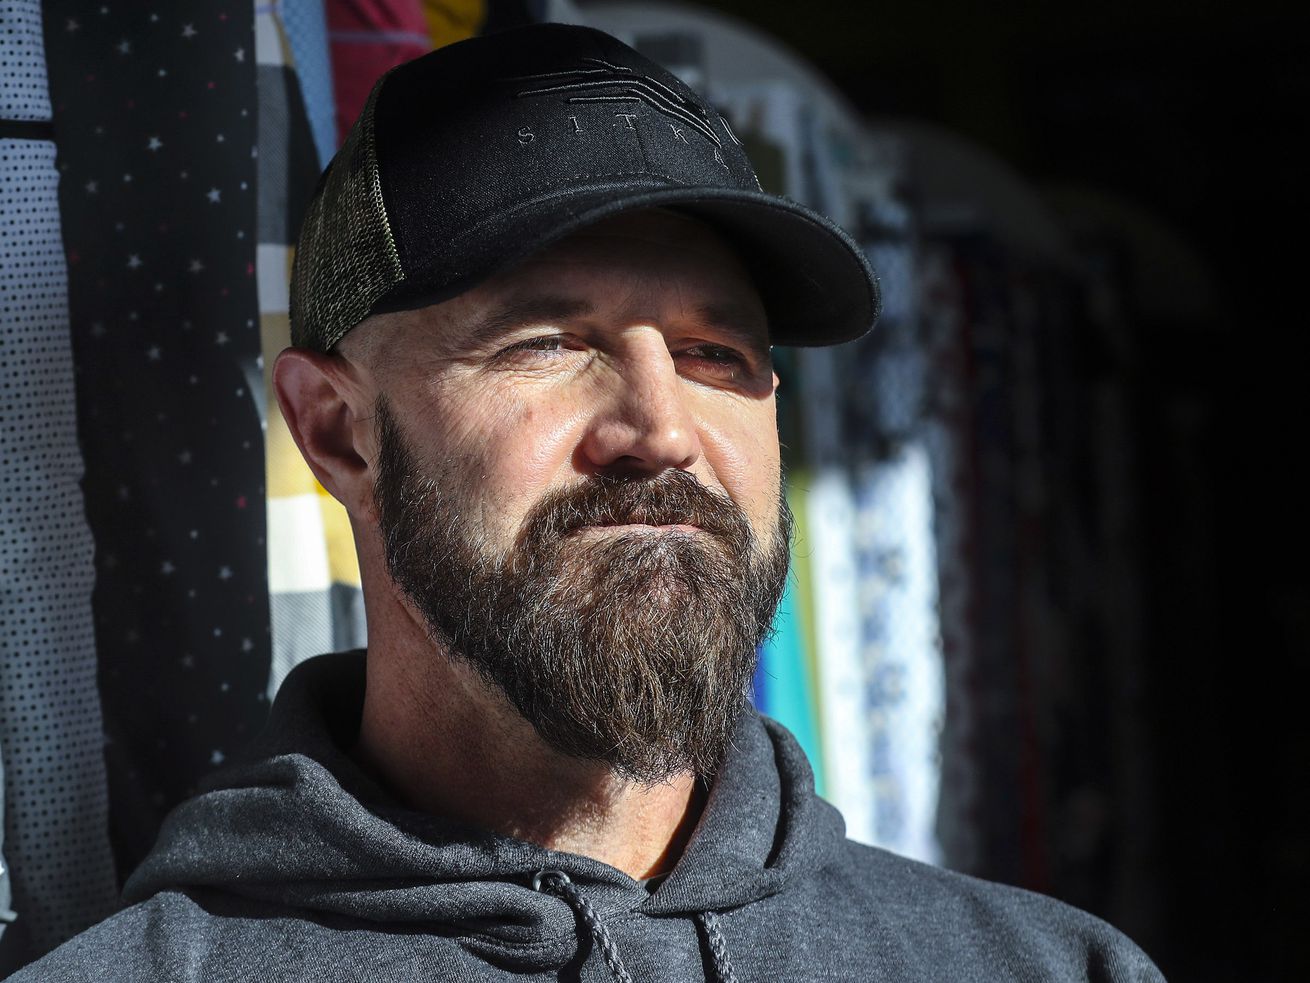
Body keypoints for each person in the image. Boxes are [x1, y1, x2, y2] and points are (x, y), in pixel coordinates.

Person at [13, 23, 1164, 983]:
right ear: (334, 429)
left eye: (716, 351)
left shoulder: (1043, 965)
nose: (660, 428)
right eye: (548, 342)